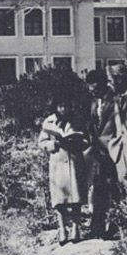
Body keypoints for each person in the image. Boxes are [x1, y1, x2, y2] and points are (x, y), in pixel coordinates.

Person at [38, 96, 89, 244]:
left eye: (66, 107)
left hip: (74, 161)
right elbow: (42, 143)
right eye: (60, 107)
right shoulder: (49, 122)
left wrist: (78, 143)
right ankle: (62, 229)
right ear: (55, 108)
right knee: (59, 199)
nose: (64, 110)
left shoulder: (77, 120)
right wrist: (53, 144)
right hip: (58, 163)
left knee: (76, 198)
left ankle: (76, 228)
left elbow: (86, 140)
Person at [84, 69, 118, 238]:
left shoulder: (116, 100)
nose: (93, 91)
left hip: (114, 151)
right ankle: (97, 227)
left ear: (105, 84)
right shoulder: (93, 102)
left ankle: (115, 226)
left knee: (114, 188)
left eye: (96, 88)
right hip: (97, 151)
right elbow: (93, 125)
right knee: (98, 188)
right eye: (90, 88)